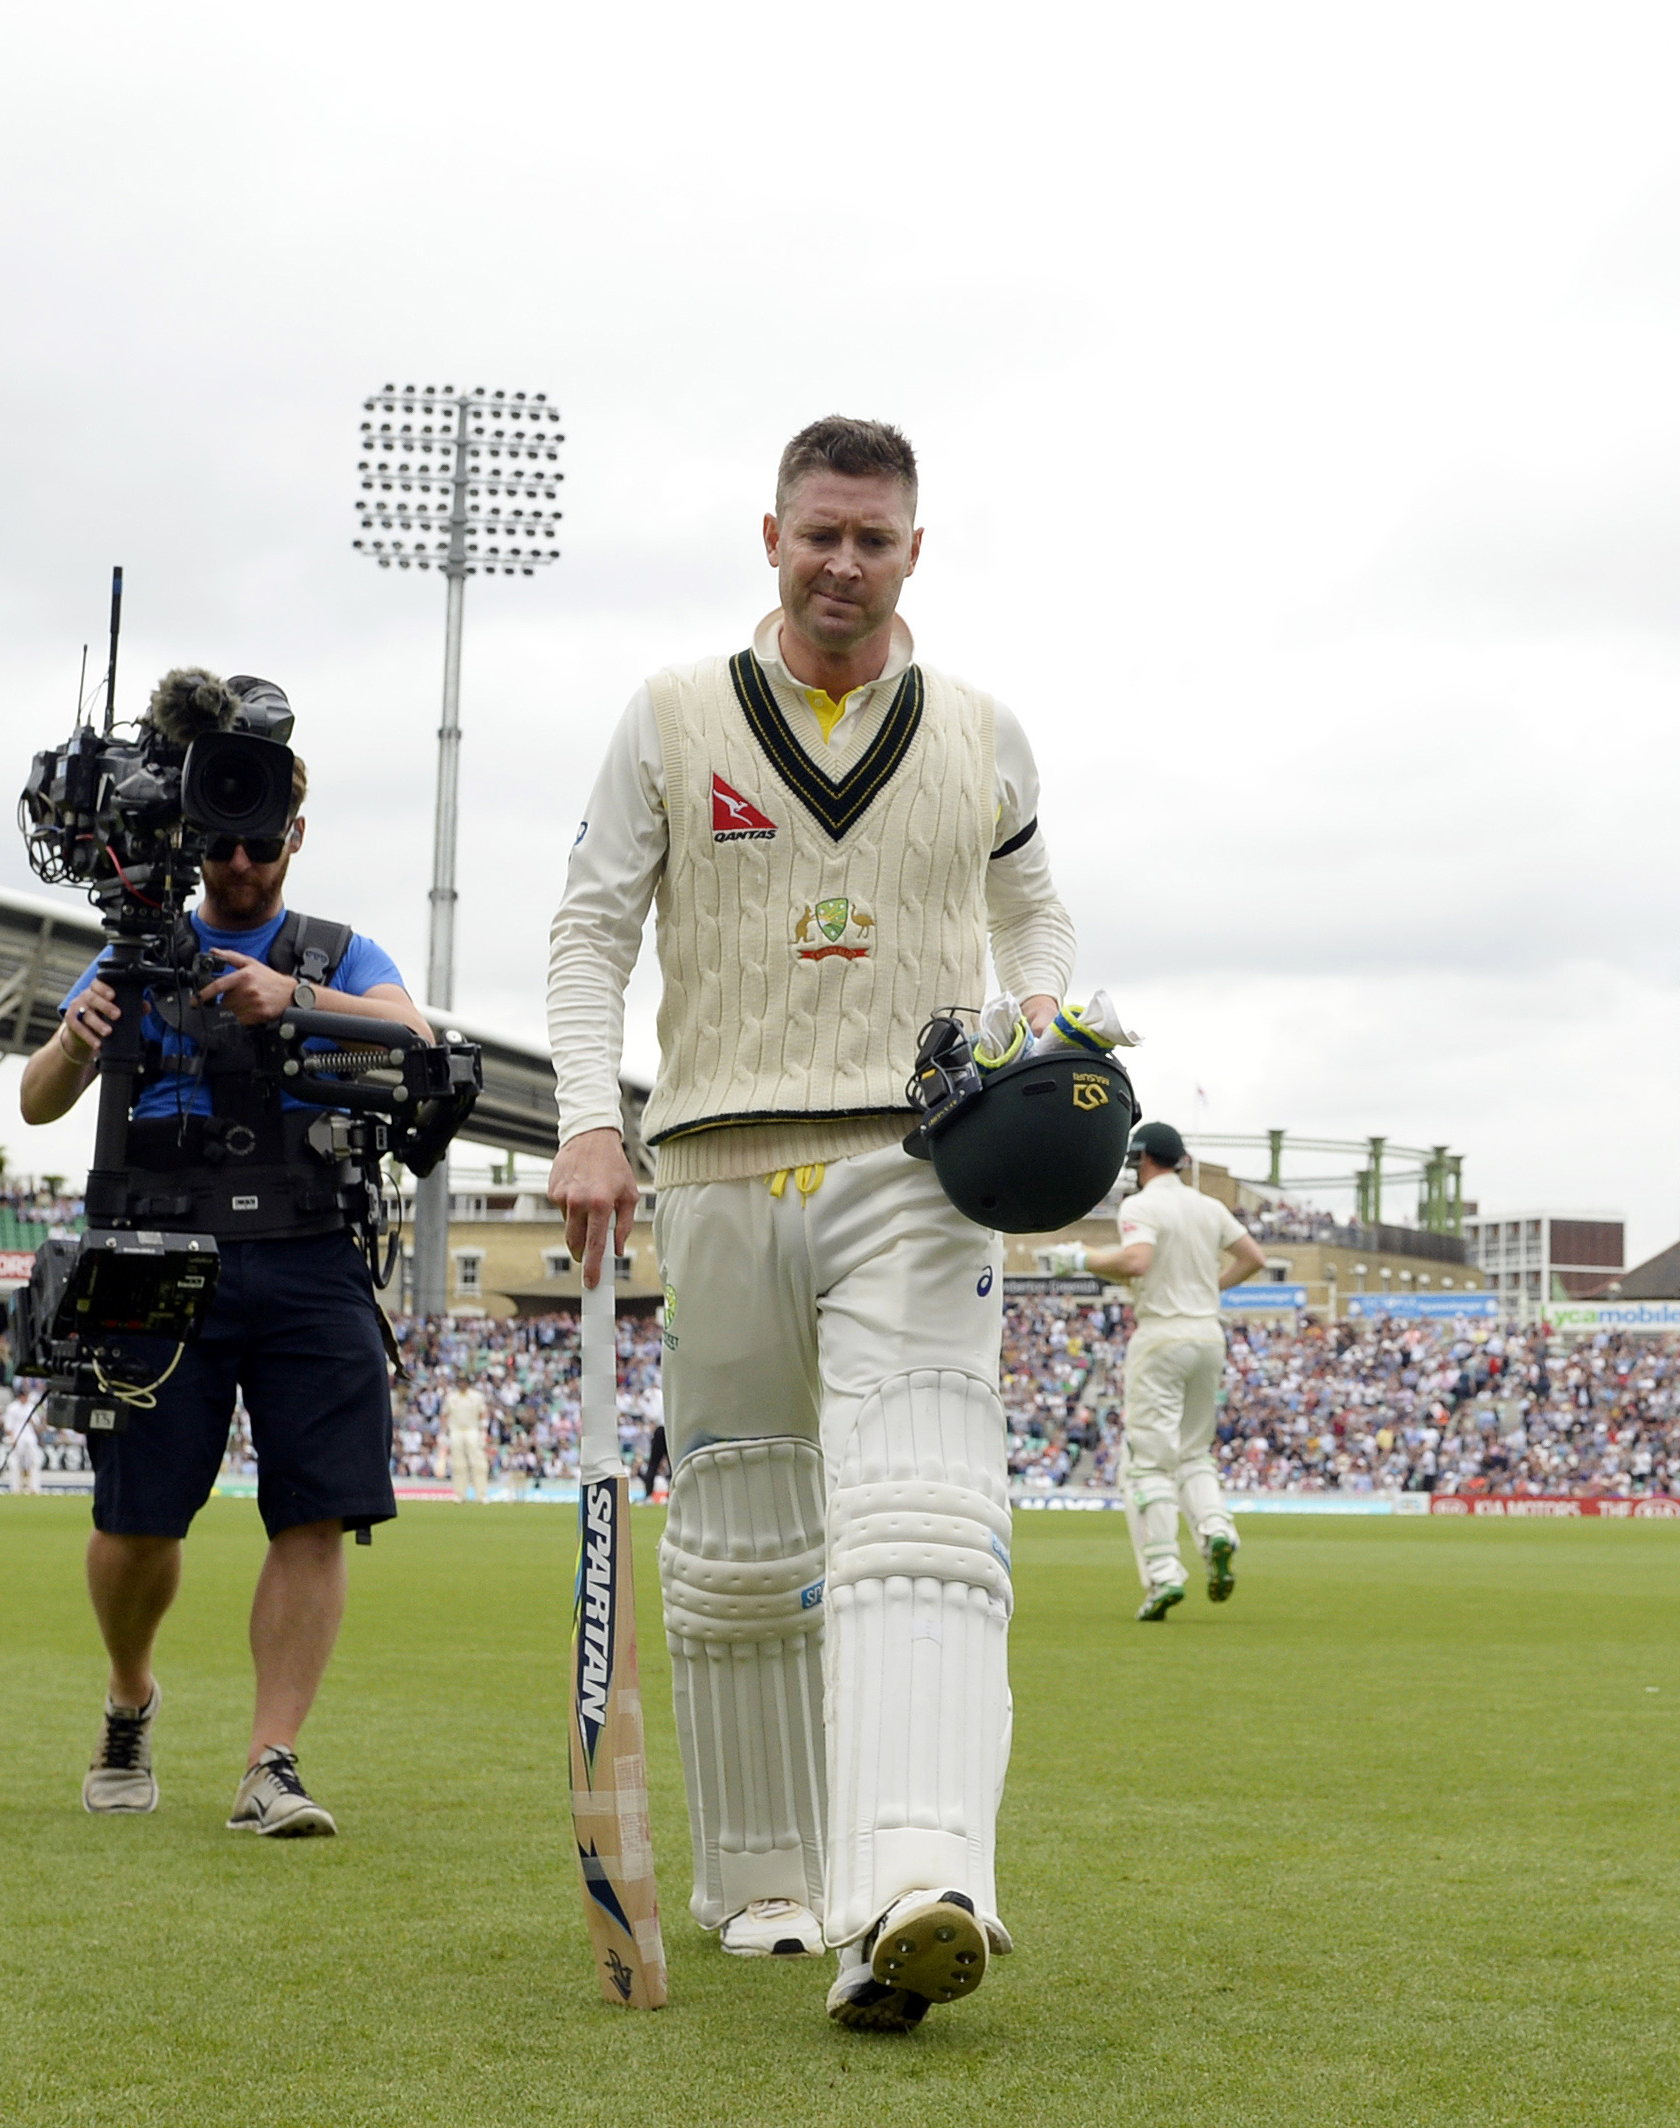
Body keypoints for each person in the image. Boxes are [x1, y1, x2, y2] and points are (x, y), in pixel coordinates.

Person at [546, 415, 1081, 2034]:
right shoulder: (666, 717)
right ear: (767, 536)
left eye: (872, 538)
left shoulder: (981, 730)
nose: (841, 562)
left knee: (917, 1503)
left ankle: (918, 1884)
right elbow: (588, 929)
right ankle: (765, 1875)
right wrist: (586, 1114)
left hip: (916, 1163)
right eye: (816, 535)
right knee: (737, 1537)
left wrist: (1041, 1017)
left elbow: (1033, 904)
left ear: (915, 550)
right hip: (710, 1158)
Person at [17, 688, 430, 1836]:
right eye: (222, 839)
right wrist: (76, 1032)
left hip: (307, 1249)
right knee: (134, 1522)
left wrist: (293, 998)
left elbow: (418, 1035)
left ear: (293, 837)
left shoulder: (336, 952)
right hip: (155, 1248)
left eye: (261, 840)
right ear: (194, 834)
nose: (239, 861)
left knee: (315, 1513)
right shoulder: (133, 951)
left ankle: (270, 1760)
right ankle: (129, 1695)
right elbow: (38, 1101)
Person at [1043, 1121, 1267, 1619]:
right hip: (1208, 1335)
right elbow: (1254, 1257)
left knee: (1147, 1462)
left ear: (1142, 1160)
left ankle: (1164, 1574)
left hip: (1162, 1335)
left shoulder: (1142, 1205)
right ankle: (1215, 1529)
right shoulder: (1209, 1206)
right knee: (1193, 1453)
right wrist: (1208, 1290)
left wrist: (1081, 1258)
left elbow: (1137, 1261)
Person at [442, 1378, 493, 1503]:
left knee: (479, 1463)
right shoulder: (451, 1397)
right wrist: (442, 1433)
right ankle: (460, 1495)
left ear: (468, 1383)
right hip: (456, 1431)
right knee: (458, 1464)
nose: (461, 1384)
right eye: (459, 1382)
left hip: (472, 1431)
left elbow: (483, 1413)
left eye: (464, 1382)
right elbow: (444, 1415)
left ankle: (481, 1495)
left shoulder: (476, 1397)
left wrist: (484, 1431)